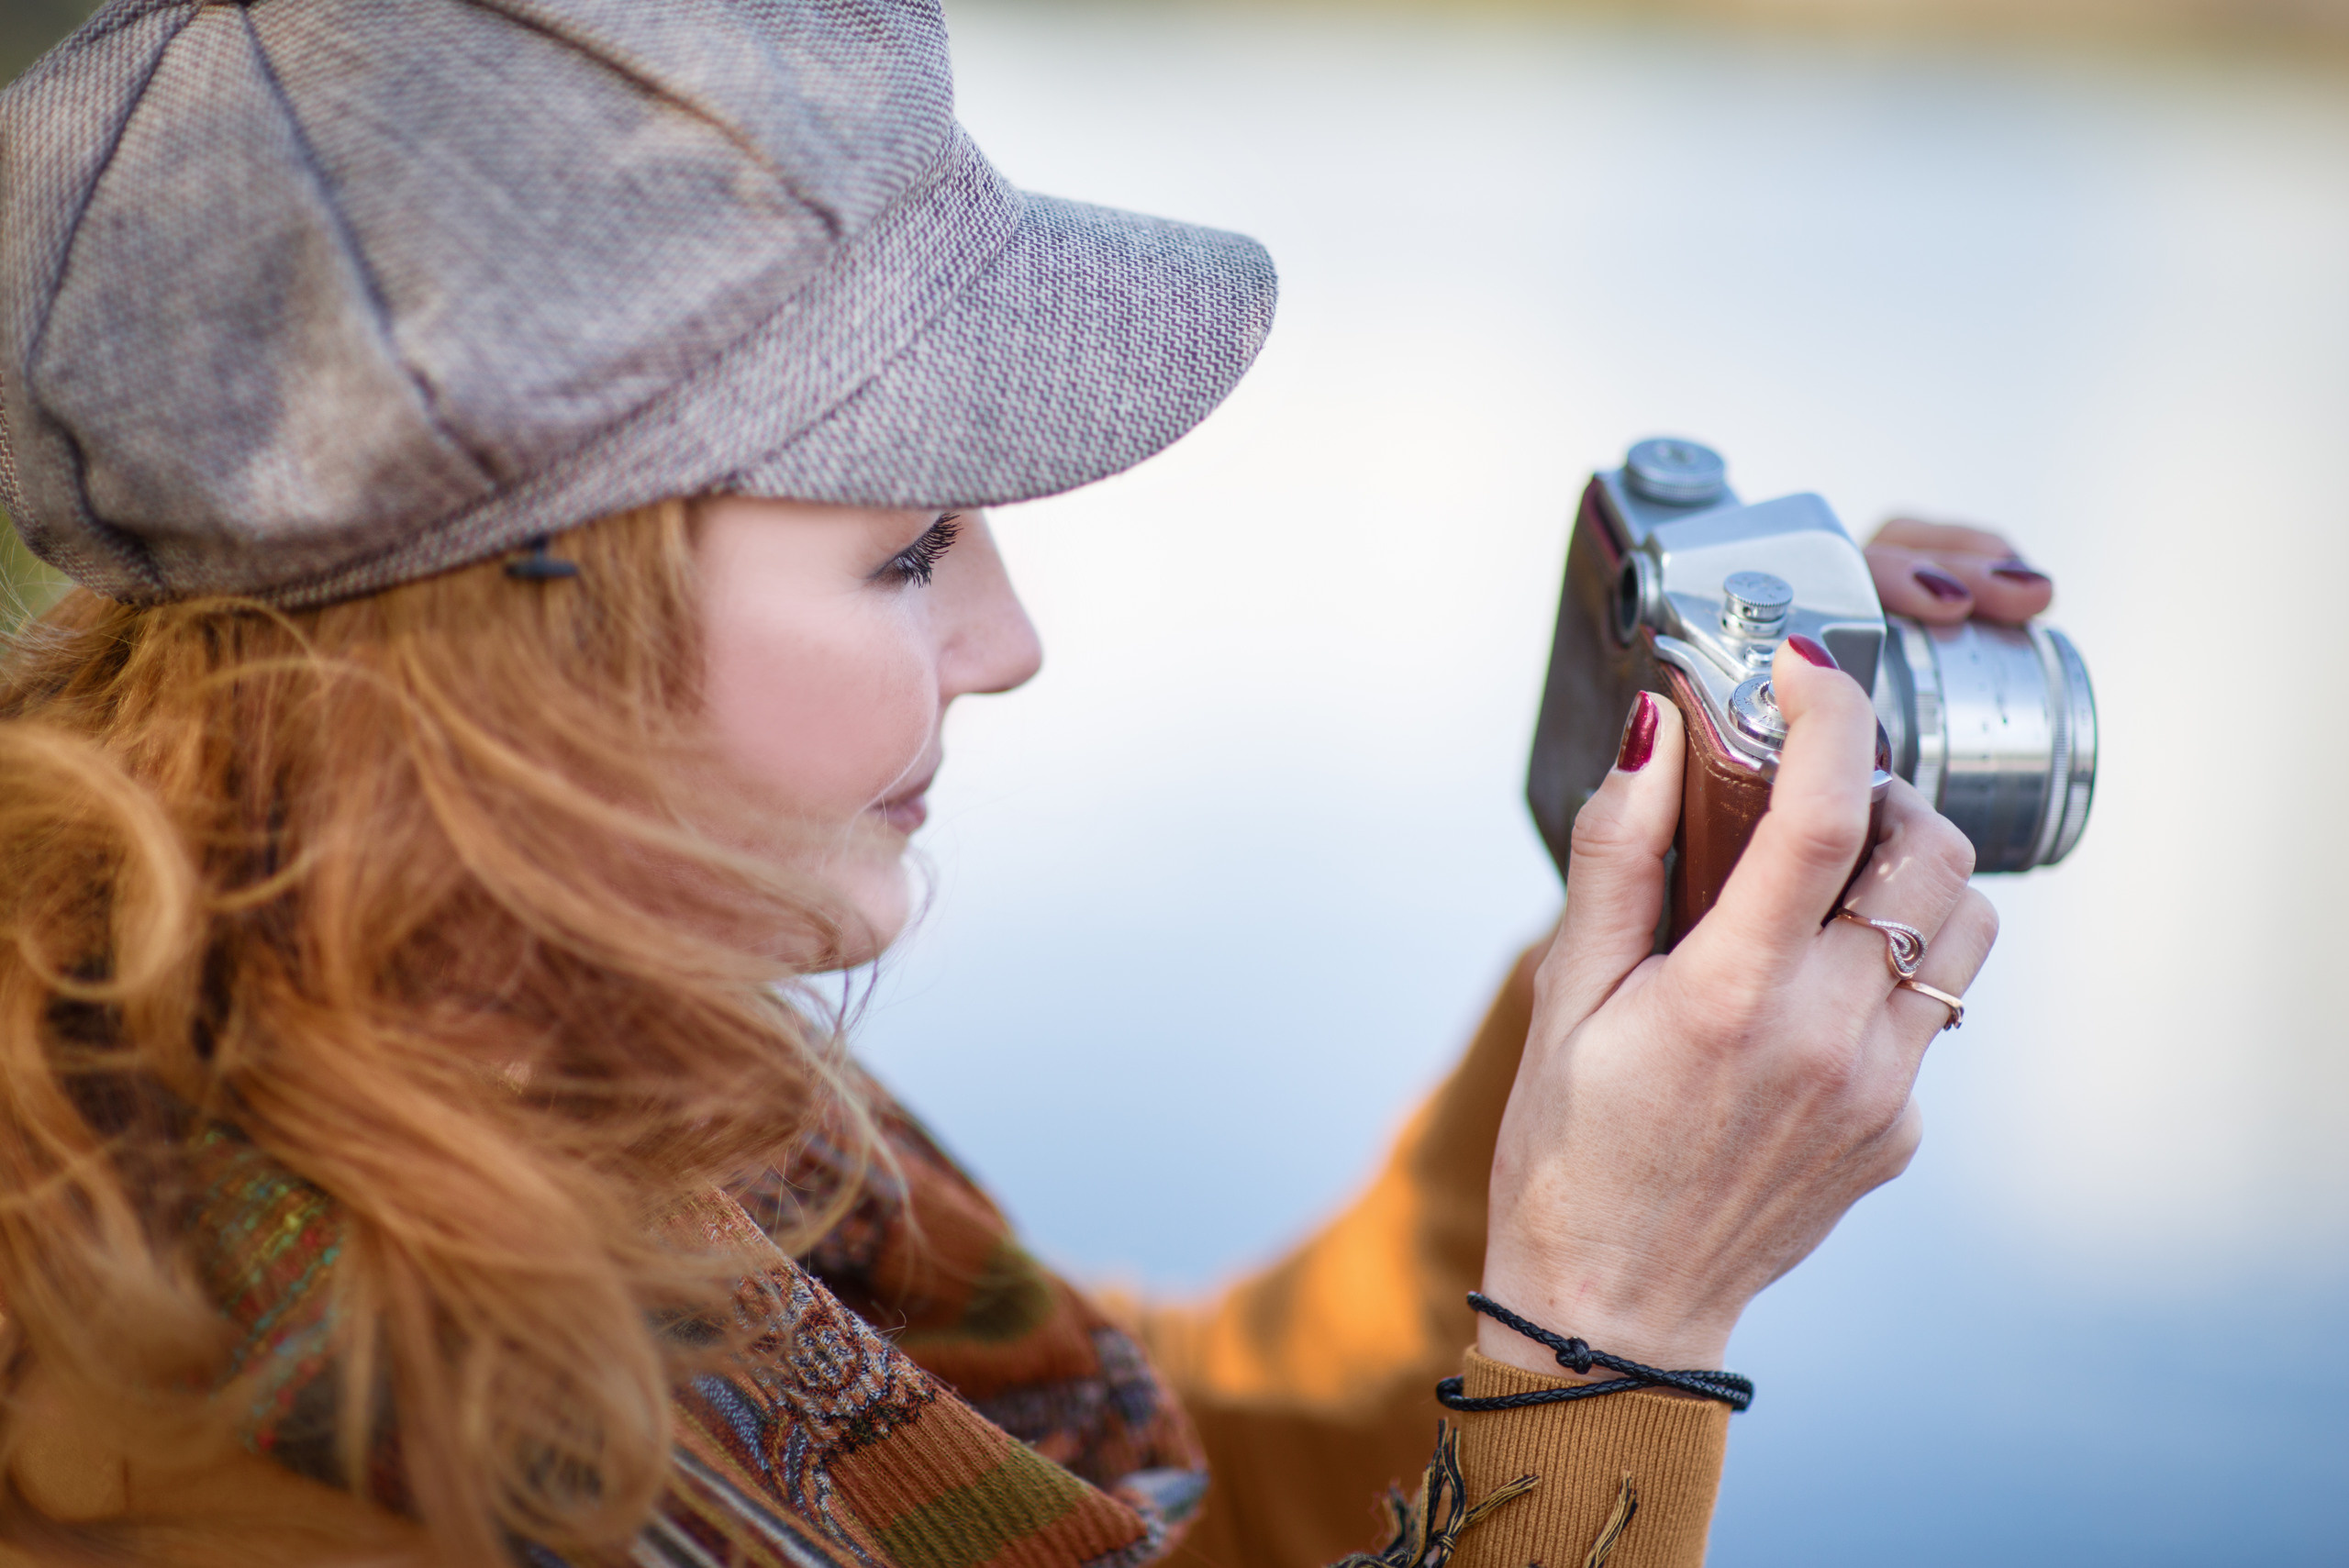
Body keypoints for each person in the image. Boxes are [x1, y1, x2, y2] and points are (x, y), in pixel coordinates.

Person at [0, 4, 2045, 1565]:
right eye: (905, 550)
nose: (1008, 639)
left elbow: (1193, 1465)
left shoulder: (521, 1070)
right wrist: (1611, 1328)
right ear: (514, 628)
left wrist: (1664, 902)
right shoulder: (215, 1455)